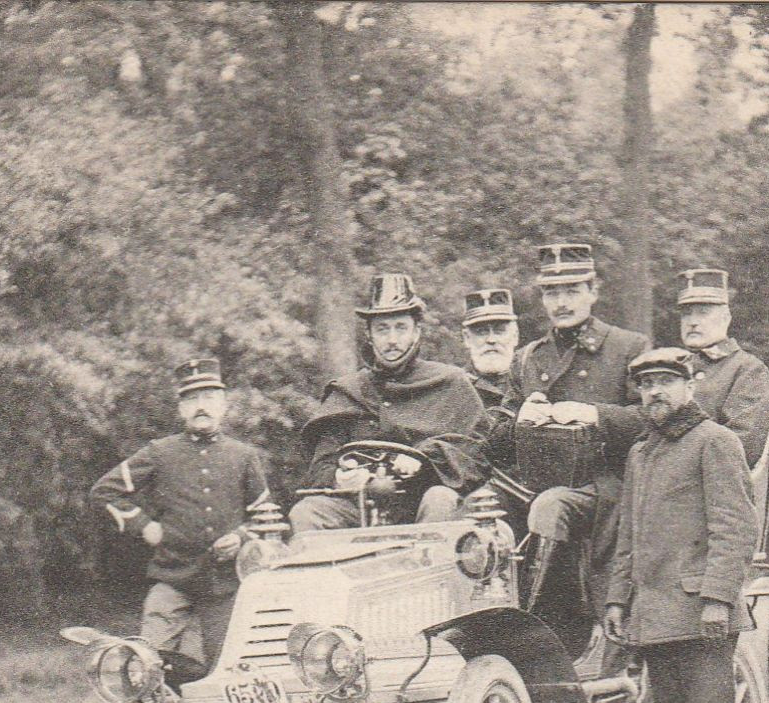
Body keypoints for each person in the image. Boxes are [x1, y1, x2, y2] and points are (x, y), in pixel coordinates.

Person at [604, 349, 758, 703]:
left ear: (691, 386)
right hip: (656, 617)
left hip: (701, 612)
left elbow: (735, 528)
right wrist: (617, 598)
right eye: (646, 385)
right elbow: (629, 534)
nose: (655, 393)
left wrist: (717, 598)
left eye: (667, 382)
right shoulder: (641, 453)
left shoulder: (716, 442)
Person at [503, 243, 648, 644]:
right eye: (552, 293)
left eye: (572, 290)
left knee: (551, 507)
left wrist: (593, 414)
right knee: (483, 513)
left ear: (593, 291)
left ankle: (551, 630)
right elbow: (494, 437)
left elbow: (652, 420)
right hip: (536, 482)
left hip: (609, 487)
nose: (561, 302)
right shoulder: (529, 358)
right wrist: (520, 418)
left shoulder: (628, 348)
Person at [90, 357, 269, 670]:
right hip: (173, 577)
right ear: (181, 408)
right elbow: (104, 491)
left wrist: (241, 537)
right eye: (191, 399)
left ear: (224, 404)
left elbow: (267, 520)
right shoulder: (160, 452)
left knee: (230, 670)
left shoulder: (244, 456)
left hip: (227, 585)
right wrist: (144, 525)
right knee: (146, 664)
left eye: (209, 397)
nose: (201, 406)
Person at [290, 273, 487, 531]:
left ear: (416, 331)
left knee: (440, 499)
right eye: (382, 329)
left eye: (400, 327)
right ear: (370, 335)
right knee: (307, 513)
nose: (392, 340)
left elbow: (476, 455)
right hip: (360, 508)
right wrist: (342, 478)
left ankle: (426, 569)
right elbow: (319, 468)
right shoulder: (348, 392)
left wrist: (426, 463)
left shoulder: (451, 383)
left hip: (428, 505)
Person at [673, 268, 769, 465]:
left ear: (725, 318)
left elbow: (740, 445)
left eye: (703, 313)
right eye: (686, 314)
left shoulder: (748, 369)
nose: (692, 322)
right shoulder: (674, 367)